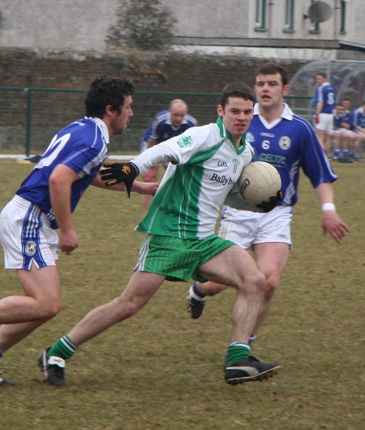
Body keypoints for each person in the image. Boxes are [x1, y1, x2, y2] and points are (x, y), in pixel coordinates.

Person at [38, 82, 283, 388]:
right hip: (170, 234)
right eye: (235, 110)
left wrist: (259, 203)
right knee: (128, 304)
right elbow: (164, 150)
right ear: (221, 111)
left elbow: (227, 195)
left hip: (205, 240)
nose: (241, 117)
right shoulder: (204, 135)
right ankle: (56, 353)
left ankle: (237, 359)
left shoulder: (245, 152)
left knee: (254, 280)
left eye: (247, 112)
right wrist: (131, 169)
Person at [0, 75, 158, 387]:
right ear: (112, 109)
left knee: (44, 305)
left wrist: (139, 187)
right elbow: (59, 179)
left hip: (29, 216)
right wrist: (67, 230)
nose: (131, 114)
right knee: (47, 303)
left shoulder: (83, 128)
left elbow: (92, 172)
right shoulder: (95, 140)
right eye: (129, 107)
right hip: (30, 216)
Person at [186, 64, 349, 348]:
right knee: (219, 283)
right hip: (238, 213)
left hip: (277, 214)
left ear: (284, 90)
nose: (264, 88)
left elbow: (319, 175)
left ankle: (244, 342)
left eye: (272, 84)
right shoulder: (240, 122)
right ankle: (199, 290)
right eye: (260, 83)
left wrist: (328, 210)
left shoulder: (300, 129)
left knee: (268, 281)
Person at [140, 99, 197, 214]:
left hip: (173, 149)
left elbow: (192, 148)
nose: (179, 119)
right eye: (176, 115)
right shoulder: (159, 120)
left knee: (175, 179)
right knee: (149, 179)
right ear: (170, 112)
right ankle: (148, 214)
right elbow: (152, 143)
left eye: (182, 115)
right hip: (153, 145)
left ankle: (171, 212)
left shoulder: (191, 124)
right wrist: (152, 168)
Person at [313, 72, 336, 156]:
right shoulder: (331, 89)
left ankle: (320, 156)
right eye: (317, 79)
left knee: (319, 137)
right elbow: (333, 104)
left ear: (325, 79)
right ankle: (327, 157)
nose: (318, 81)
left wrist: (317, 113)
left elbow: (320, 102)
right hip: (330, 115)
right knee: (327, 138)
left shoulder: (321, 88)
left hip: (323, 114)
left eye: (319, 79)